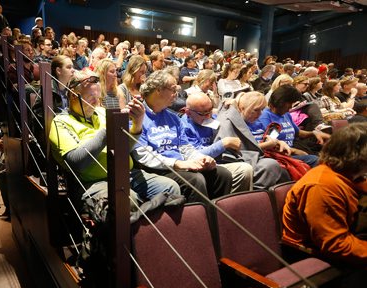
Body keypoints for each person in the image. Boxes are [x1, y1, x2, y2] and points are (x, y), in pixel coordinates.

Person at [49, 69, 181, 207]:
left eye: (98, 97)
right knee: (128, 201)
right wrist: (109, 129)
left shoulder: (101, 112)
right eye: (91, 97)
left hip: (126, 173)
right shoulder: (61, 122)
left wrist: (137, 124)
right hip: (94, 182)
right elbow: (76, 162)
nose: (95, 102)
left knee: (171, 188)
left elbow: (125, 148)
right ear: (74, 96)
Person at [131, 70, 232, 204]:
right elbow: (143, 155)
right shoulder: (137, 116)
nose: (176, 95)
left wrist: (201, 159)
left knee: (222, 174)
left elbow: (184, 147)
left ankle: (216, 217)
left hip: (181, 165)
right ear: (158, 90)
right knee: (195, 180)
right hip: (157, 169)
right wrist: (177, 163)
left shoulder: (173, 117)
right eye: (173, 90)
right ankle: (199, 221)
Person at [282, 123, 367, 265]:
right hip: (314, 258)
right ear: (359, 158)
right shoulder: (322, 186)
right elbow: (336, 245)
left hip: (349, 239)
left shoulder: (350, 174)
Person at [215, 91, 289, 189]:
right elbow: (231, 153)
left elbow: (261, 138)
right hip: (242, 160)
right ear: (242, 108)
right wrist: (266, 145)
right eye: (256, 110)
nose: (260, 114)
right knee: (272, 166)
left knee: (286, 169)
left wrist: (278, 142)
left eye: (262, 109)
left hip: (261, 155)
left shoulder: (253, 120)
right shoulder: (227, 123)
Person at [181, 93, 254, 192]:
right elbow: (196, 156)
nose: (208, 116)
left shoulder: (213, 118)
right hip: (205, 166)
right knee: (245, 169)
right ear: (188, 112)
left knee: (256, 163)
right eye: (203, 113)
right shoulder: (184, 127)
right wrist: (224, 143)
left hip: (224, 159)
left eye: (210, 110)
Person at [250, 85, 330, 167]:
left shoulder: (286, 114)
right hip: (280, 154)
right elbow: (270, 143)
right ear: (282, 102)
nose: (291, 107)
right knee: (315, 160)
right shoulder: (265, 116)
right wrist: (294, 151)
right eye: (290, 103)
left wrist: (314, 133)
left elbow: (298, 133)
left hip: (292, 150)